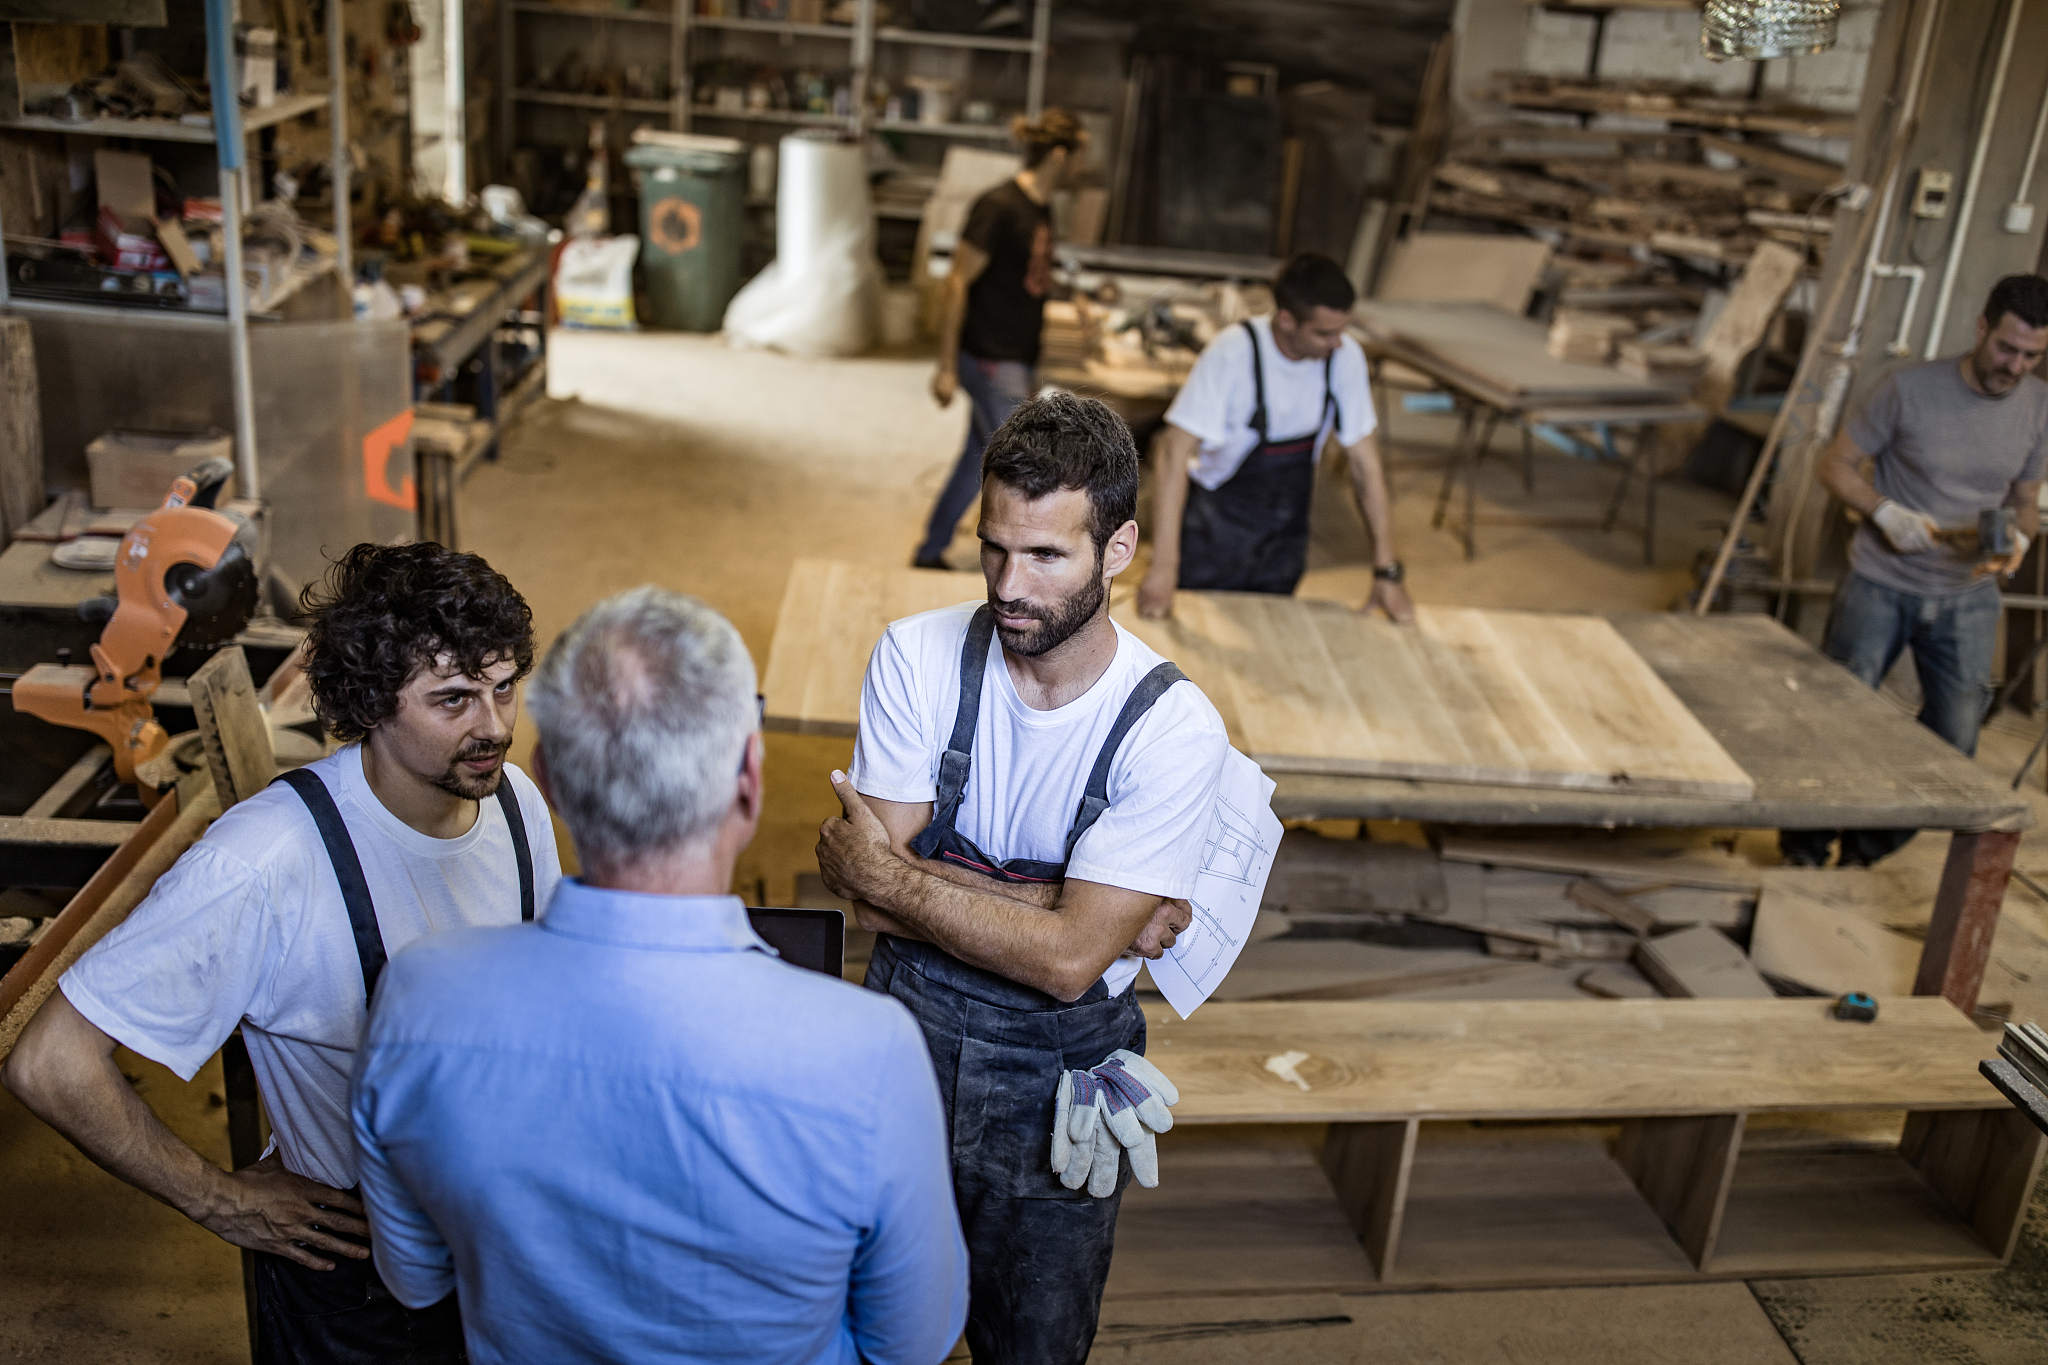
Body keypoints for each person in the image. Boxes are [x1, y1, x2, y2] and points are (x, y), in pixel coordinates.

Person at [351, 588, 968, 1365]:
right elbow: (911, 1341)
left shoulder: (417, 998)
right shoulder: (869, 1051)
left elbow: (416, 1278)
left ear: (548, 777)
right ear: (751, 779)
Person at [2, 542, 560, 1365]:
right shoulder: (266, 860)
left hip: (505, 1241)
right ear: (372, 702)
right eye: (453, 699)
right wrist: (223, 1201)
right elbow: (49, 1063)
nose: (495, 726)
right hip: (357, 1280)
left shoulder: (516, 804)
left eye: (503, 687)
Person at [818, 393, 1231, 1365]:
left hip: (1060, 1085)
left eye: (1045, 555)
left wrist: (1047, 927)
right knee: (869, 1325)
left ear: (1118, 547)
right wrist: (1073, 914)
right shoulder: (917, 655)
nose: (1009, 584)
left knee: (1033, 1342)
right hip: (902, 1049)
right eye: (993, 548)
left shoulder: (1170, 728)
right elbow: (864, 894)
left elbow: (1060, 968)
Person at [1781, 273, 2048, 868]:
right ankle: (1803, 850)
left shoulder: (2038, 408)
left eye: (2033, 355)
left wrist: (2023, 537)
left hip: (1968, 592)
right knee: (1837, 719)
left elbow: (2026, 498)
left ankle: (1862, 852)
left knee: (1955, 739)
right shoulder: (1907, 389)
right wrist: (1884, 511)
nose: (2016, 366)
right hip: (1880, 582)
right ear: (1981, 328)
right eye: (2007, 348)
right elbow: (1835, 464)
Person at [1137, 251, 1414, 622]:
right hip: (1212, 532)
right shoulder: (1234, 354)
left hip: (1285, 535)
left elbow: (1366, 466)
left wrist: (1387, 570)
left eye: (1342, 330)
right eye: (1324, 333)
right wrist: (1164, 566)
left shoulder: (1344, 358)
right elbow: (1172, 453)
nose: (1337, 343)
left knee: (1269, 629)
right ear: (1286, 320)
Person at [913, 109, 1088, 570]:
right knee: (1027, 465)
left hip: (1016, 358)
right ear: (1058, 154)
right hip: (990, 359)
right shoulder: (998, 207)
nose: (1082, 167)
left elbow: (1028, 279)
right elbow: (955, 282)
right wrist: (947, 365)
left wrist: (1077, 295)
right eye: (1079, 155)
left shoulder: (1040, 207)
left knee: (978, 455)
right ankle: (1028, 564)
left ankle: (930, 550)